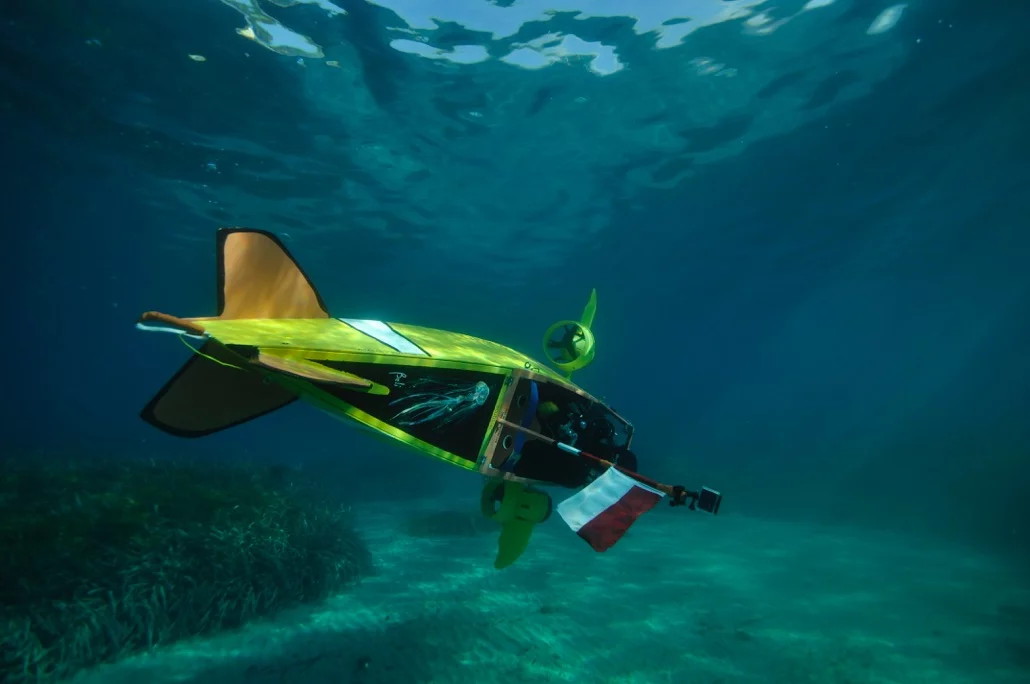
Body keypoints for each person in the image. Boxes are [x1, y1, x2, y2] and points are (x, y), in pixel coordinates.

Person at [511, 400, 638, 487]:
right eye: (616, 454)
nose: (609, 458)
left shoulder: (576, 475)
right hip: (527, 409)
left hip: (517, 446)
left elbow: (523, 468)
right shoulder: (601, 425)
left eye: (613, 461)